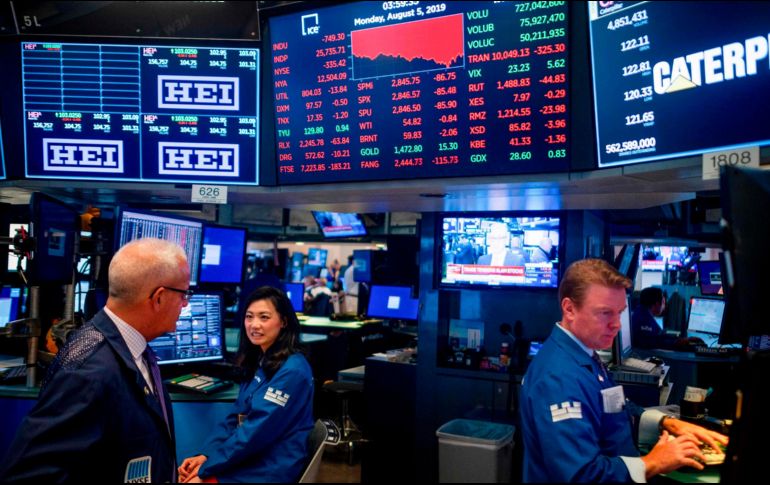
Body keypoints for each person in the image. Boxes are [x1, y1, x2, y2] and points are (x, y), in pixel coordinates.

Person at [520, 258, 728, 483]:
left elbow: (611, 406)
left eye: (619, 312)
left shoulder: (583, 353)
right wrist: (654, 462)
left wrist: (665, 422)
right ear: (569, 309)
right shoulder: (558, 379)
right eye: (605, 313)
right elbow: (582, 476)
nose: (617, 325)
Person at [0, 238, 189, 482]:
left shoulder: (133, 348)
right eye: (184, 294)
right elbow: (28, 477)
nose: (185, 303)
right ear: (159, 298)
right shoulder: (90, 370)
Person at [177, 286, 314, 483]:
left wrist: (205, 470)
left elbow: (255, 432)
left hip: (271, 467)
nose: (254, 325)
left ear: (283, 321)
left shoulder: (292, 371)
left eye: (264, 317)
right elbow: (234, 418)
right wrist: (205, 455)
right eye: (249, 317)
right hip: (252, 456)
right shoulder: (261, 361)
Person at [631, 287, 703, 350]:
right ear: (657, 304)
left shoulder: (640, 312)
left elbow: (658, 336)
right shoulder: (644, 319)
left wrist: (682, 340)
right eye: (663, 302)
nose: (665, 306)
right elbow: (655, 342)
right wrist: (678, 342)